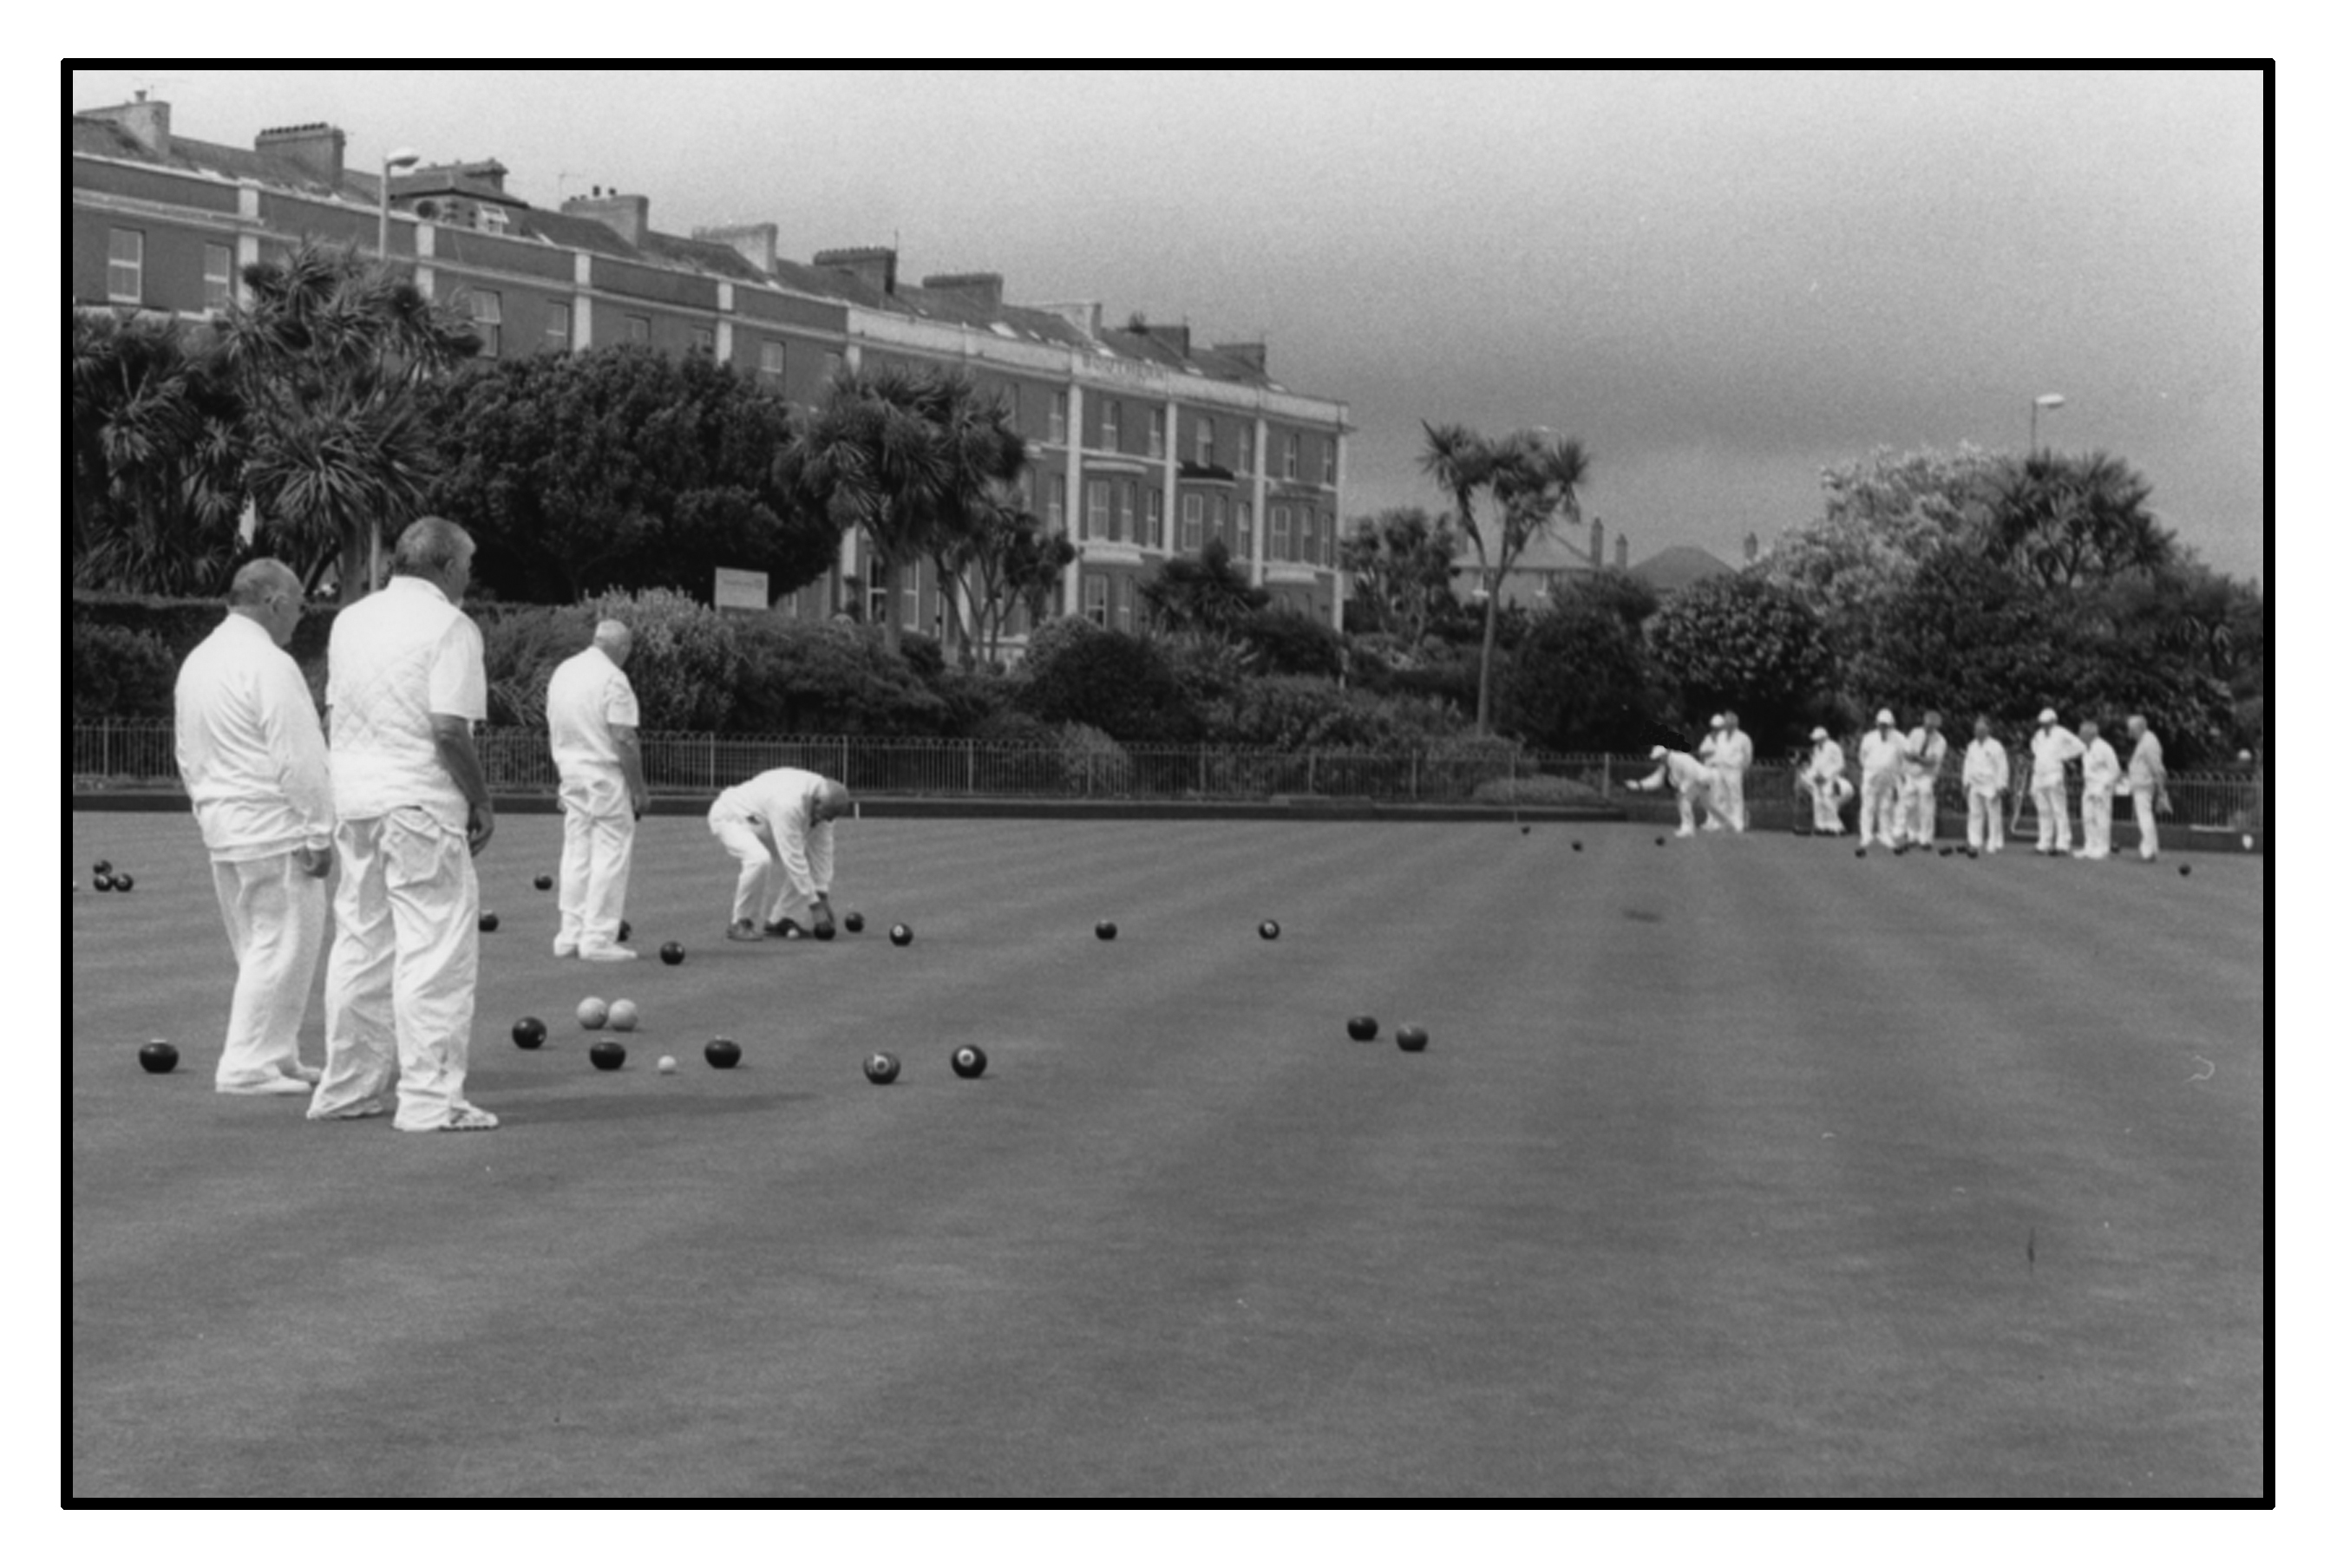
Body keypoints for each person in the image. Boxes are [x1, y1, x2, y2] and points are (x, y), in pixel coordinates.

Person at [309, 518, 499, 1133]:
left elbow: (334, 715)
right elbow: (448, 729)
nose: (469, 577)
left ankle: (347, 1088)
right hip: (419, 801)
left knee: (360, 944)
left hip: (357, 799)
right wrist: (481, 800)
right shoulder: (451, 625)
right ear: (446, 566)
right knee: (434, 950)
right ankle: (430, 1099)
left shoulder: (350, 620)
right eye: (467, 565)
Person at [173, 559, 335, 1096]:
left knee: (261, 946)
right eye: (300, 605)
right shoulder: (270, 664)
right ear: (276, 603)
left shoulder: (198, 660)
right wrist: (318, 830)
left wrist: (206, 810)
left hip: (226, 826)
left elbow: (186, 752)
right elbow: (299, 755)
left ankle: (277, 1053)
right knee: (280, 947)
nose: (301, 617)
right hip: (273, 825)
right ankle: (247, 1065)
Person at [546, 621, 648, 961]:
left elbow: (555, 725)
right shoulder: (613, 678)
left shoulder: (564, 671)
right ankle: (598, 938)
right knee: (610, 853)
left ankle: (570, 934)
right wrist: (638, 789)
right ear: (622, 648)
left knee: (576, 852)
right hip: (604, 775)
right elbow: (624, 737)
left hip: (570, 773)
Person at [708, 768, 853, 939]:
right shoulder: (789, 804)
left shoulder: (827, 801)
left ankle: (783, 919)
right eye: (825, 815)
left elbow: (822, 850)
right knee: (759, 859)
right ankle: (740, 922)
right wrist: (815, 906)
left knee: (808, 861)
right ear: (817, 801)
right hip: (733, 816)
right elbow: (792, 857)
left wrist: (822, 894)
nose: (827, 820)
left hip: (764, 820)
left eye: (832, 818)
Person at [1624, 745, 1718, 837]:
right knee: (1686, 800)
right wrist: (1638, 785)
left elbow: (1691, 773)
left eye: (1659, 758)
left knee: (1685, 799)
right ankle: (1693, 826)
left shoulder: (1680, 758)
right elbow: (1657, 780)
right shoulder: (1665, 765)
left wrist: (1683, 788)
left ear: (1664, 755)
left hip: (1703, 779)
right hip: (1698, 782)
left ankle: (1690, 827)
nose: (1658, 760)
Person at [2028, 708, 2084, 856]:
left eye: (2047, 723)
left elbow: (2079, 746)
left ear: (2054, 721)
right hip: (2039, 775)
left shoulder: (2062, 733)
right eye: (2043, 723)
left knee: (2059, 810)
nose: (2044, 726)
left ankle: (2063, 843)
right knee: (2043, 810)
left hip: (2054, 774)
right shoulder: (2038, 735)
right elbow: (2034, 748)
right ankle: (2044, 842)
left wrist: (2063, 756)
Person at [1960, 715, 2012, 855]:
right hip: (1975, 784)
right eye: (1977, 730)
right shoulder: (1972, 746)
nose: (1979, 733)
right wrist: (1965, 783)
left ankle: (1994, 842)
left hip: (1991, 784)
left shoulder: (1996, 746)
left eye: (1982, 730)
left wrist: (2001, 786)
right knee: (1975, 813)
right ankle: (1974, 841)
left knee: (1993, 814)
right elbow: (1967, 766)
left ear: (1988, 730)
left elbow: (2002, 767)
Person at [1857, 709, 1908, 851]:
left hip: (1890, 778)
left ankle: (1885, 834)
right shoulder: (1869, 738)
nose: (1883, 727)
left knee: (1886, 807)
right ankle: (1866, 835)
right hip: (1871, 777)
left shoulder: (1900, 739)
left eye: (1886, 725)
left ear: (1892, 725)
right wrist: (1871, 769)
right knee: (1868, 806)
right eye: (1881, 724)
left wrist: (1899, 774)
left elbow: (1905, 758)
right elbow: (1862, 756)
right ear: (1877, 724)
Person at [2124, 715, 2172, 863]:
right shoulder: (2145, 741)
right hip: (2141, 784)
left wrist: (2161, 789)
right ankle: (2151, 848)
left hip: (2144, 785)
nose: (2129, 733)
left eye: (2131, 729)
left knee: (2145, 817)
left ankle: (2148, 849)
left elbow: (2155, 766)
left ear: (2139, 728)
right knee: (2145, 817)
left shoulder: (2149, 742)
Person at [1900, 710, 1948, 850]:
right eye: (1927, 725)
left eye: (1932, 727)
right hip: (1911, 774)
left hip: (1927, 776)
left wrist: (1917, 758)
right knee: (1909, 806)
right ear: (1924, 722)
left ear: (1936, 727)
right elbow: (1906, 753)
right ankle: (1912, 836)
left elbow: (1932, 762)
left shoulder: (1940, 741)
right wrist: (1919, 759)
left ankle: (1926, 839)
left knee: (1926, 807)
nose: (1929, 729)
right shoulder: (1915, 733)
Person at [2076, 720, 2122, 859]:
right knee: (2087, 817)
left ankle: (2102, 848)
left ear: (2090, 734)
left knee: (2101, 818)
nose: (2079, 735)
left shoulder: (2104, 748)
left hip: (2102, 788)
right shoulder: (2085, 749)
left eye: (2081, 733)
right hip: (2089, 786)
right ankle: (2089, 847)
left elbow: (2115, 770)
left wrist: (2104, 786)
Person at [1801, 726, 1852, 836]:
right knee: (1817, 801)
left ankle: (1837, 827)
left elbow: (1840, 764)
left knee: (1828, 800)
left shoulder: (1834, 747)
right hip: (1818, 781)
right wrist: (1810, 775)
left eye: (1818, 739)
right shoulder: (1816, 749)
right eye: (1815, 739)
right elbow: (1815, 766)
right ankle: (1821, 827)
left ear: (1824, 738)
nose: (1816, 741)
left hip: (1832, 779)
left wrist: (1826, 776)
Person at [1712, 711, 1754, 833]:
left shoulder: (1743, 738)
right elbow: (1718, 751)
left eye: (1730, 723)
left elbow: (1748, 755)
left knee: (1736, 796)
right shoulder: (1720, 736)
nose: (1727, 725)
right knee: (1721, 795)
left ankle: (1738, 823)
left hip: (1734, 769)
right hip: (1720, 768)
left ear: (1735, 724)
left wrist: (1743, 768)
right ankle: (1722, 822)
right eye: (1726, 723)